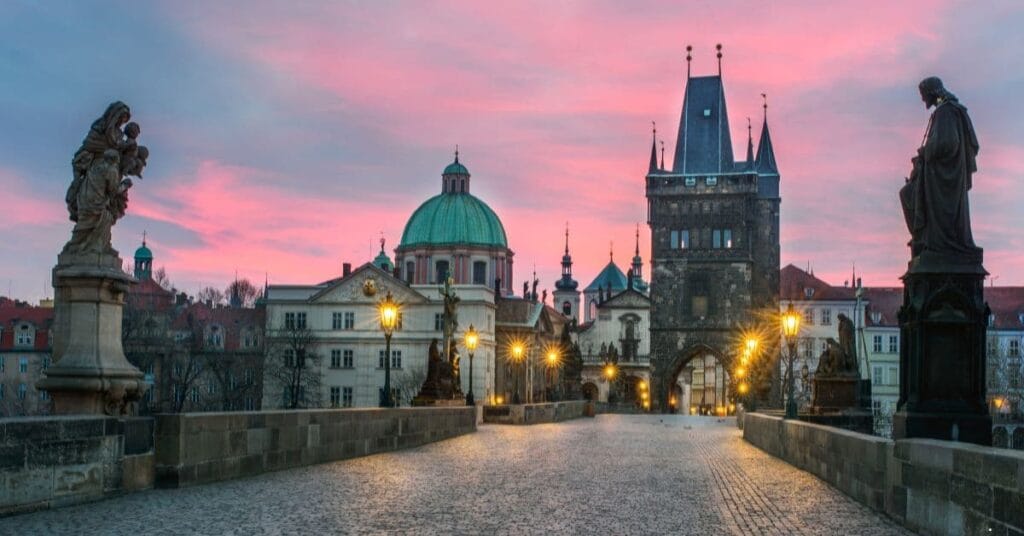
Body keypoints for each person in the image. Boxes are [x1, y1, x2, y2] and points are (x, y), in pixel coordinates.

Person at [899, 77, 981, 262]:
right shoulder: (946, 111)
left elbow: (949, 143)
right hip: (939, 174)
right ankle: (922, 238)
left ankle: (928, 240)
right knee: (907, 193)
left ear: (932, 92)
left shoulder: (946, 112)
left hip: (944, 178)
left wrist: (925, 152)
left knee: (907, 193)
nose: (922, 100)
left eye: (923, 95)